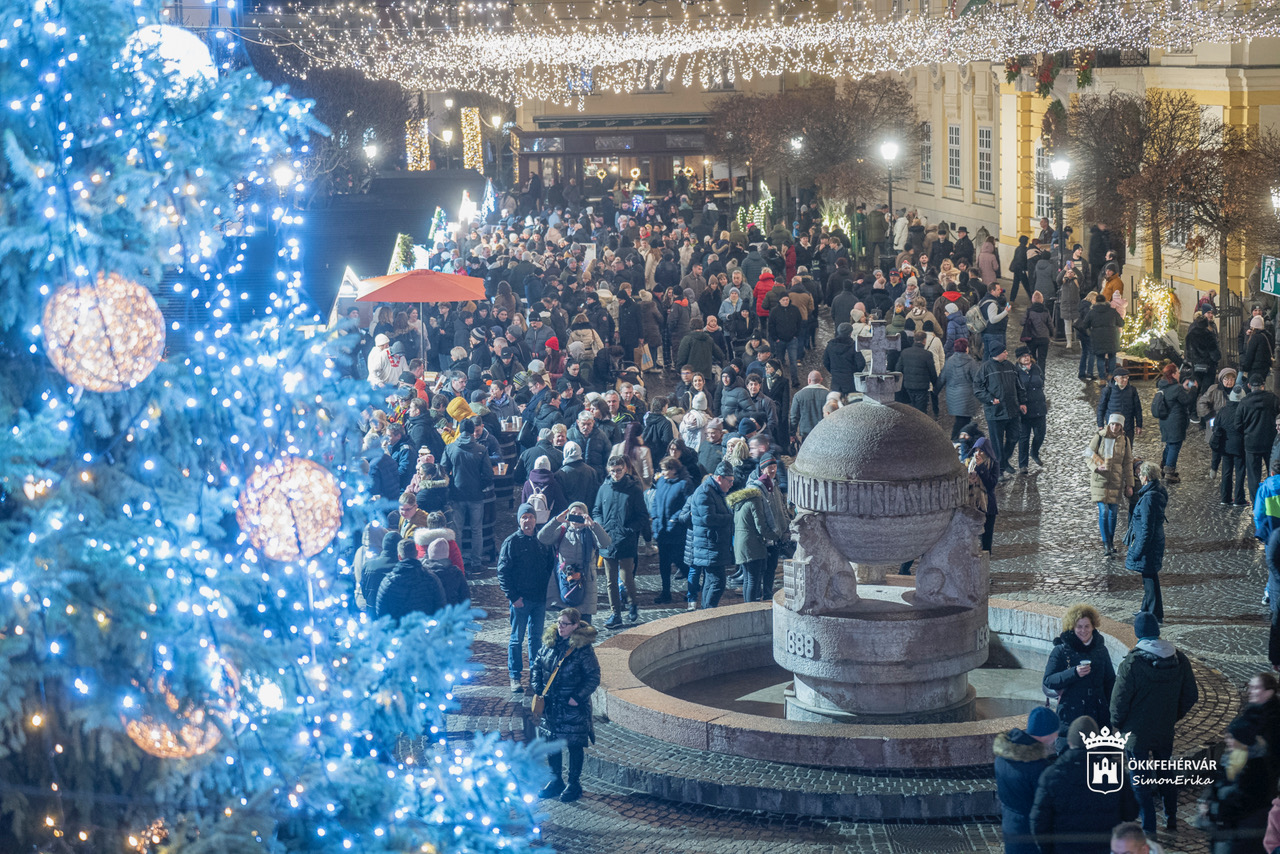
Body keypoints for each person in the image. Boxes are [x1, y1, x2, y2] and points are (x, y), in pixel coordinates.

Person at [1110, 611, 1200, 840]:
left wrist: (1117, 724)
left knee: (1139, 779)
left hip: (1136, 734)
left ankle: (1149, 827)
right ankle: (1170, 816)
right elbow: (1191, 695)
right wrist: (1172, 716)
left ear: (1138, 633)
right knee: (1165, 772)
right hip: (1163, 730)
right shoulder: (1179, 658)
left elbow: (1119, 701)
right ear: (1157, 632)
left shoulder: (1132, 663)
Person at [1031, 715, 1139, 853]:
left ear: (1069, 741)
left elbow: (1039, 823)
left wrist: (1050, 850)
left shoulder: (1052, 775)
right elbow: (1130, 812)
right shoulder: (1114, 770)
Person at [531, 607, 601, 804]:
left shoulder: (583, 649)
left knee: (574, 745)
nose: (560, 626)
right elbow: (536, 665)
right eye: (559, 622)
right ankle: (556, 781)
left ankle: (573, 783)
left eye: (565, 624)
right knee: (551, 743)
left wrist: (576, 698)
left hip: (572, 708)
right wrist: (538, 687)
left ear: (575, 626)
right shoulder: (549, 642)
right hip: (551, 706)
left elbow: (593, 676)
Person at [498, 503, 558, 693]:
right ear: (519, 520)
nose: (528, 520)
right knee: (517, 639)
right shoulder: (511, 542)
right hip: (521, 600)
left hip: (539, 599)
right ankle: (515, 676)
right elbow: (503, 572)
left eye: (531, 517)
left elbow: (550, 564)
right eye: (524, 517)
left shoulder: (542, 540)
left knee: (536, 639)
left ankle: (535, 673)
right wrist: (514, 597)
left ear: (535, 519)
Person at [1042, 603, 1116, 749]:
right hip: (1070, 714)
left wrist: (1112, 711)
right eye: (1079, 627)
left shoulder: (1101, 650)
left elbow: (1110, 682)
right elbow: (1049, 680)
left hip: (1098, 713)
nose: (1083, 631)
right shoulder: (1061, 651)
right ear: (1072, 627)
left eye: (1087, 626)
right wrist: (1073, 673)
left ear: (1093, 626)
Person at [593, 455, 650, 628]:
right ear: (608, 471)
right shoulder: (604, 488)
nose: (616, 474)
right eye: (613, 471)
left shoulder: (633, 489)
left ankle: (633, 602)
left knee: (626, 577)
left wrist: (628, 530)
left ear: (625, 469)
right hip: (608, 539)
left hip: (625, 540)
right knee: (610, 580)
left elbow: (642, 516)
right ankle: (615, 613)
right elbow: (596, 510)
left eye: (618, 470)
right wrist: (601, 526)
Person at [994, 706, 1060, 854]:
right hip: (1030, 833)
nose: (1056, 736)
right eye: (1054, 731)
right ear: (1045, 734)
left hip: (1010, 824)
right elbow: (1043, 806)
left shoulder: (1002, 757)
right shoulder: (1037, 767)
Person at [538, 504, 609, 624]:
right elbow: (542, 537)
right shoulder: (562, 530)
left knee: (584, 626)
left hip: (586, 582)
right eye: (573, 513)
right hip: (565, 581)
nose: (576, 516)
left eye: (579, 514)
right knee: (565, 623)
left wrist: (593, 525)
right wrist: (555, 521)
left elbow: (605, 542)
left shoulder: (590, 532)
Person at [441, 417, 495, 570]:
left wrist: (451, 486)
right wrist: (480, 486)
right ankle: (476, 562)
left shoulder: (450, 448)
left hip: (457, 495)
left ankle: (459, 561)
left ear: (459, 430)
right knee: (476, 530)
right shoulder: (481, 449)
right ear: (472, 432)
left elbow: (443, 471)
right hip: (476, 495)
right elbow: (488, 475)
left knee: (457, 530)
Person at [683, 460, 736, 610]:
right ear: (719, 478)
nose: (731, 484)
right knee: (717, 582)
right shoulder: (705, 492)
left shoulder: (716, 491)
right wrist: (732, 517)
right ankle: (709, 613)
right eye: (729, 481)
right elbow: (709, 518)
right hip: (709, 546)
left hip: (713, 545)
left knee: (711, 581)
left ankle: (706, 611)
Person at [1126, 463, 1169, 623]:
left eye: (1140, 475)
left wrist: (1138, 550)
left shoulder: (1148, 499)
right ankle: (1147, 609)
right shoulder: (1156, 492)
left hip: (1150, 545)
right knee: (1149, 576)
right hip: (1156, 541)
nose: (1138, 477)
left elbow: (1146, 528)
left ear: (1146, 477)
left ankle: (1154, 613)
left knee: (1149, 578)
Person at [650, 457, 696, 605]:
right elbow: (656, 502)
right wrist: (656, 518)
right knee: (664, 564)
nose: (662, 473)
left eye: (665, 470)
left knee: (681, 562)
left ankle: (692, 589)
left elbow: (688, 504)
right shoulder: (661, 482)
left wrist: (674, 519)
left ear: (673, 470)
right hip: (662, 530)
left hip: (677, 532)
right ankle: (665, 592)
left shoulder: (685, 484)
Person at [976, 342, 1024, 477]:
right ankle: (999, 470)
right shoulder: (985, 368)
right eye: (1004, 351)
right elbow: (978, 388)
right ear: (997, 353)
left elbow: (1019, 386)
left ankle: (1004, 460)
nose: (1007, 353)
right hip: (995, 412)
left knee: (1014, 437)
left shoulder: (1011, 367)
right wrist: (990, 399)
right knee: (997, 443)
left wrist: (1022, 402)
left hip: (1012, 410)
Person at [1090, 413, 1134, 557]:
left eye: (1118, 425)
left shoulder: (1125, 441)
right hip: (1100, 480)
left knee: (1113, 513)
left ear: (1121, 426)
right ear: (1109, 424)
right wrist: (1097, 466)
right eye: (1113, 424)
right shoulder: (1100, 436)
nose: (1115, 427)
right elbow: (1088, 453)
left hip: (1116, 481)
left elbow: (1128, 463)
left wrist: (1130, 484)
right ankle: (1106, 543)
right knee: (1104, 512)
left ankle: (1110, 541)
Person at [375, 538, 447, 620]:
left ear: (399, 557)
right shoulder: (431, 579)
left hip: (399, 631)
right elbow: (441, 609)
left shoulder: (388, 582)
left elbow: (382, 614)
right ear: (416, 553)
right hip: (424, 630)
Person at [1152, 364, 1196, 483]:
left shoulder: (1164, 386)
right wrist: (1193, 389)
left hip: (1165, 422)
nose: (1179, 373)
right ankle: (1169, 473)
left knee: (1169, 445)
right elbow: (1186, 400)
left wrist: (1182, 387)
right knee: (1174, 446)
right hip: (1175, 422)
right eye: (1177, 372)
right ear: (1173, 374)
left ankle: (1164, 467)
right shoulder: (1176, 388)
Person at [1254, 470, 1280, 670]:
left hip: (1272, 530)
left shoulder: (1267, 487)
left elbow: (1259, 512)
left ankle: (1268, 593)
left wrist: (1261, 531)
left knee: (1273, 565)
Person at [1240, 377, 1280, 501]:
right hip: (1269, 442)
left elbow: (1238, 424)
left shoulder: (1244, 402)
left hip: (1252, 444)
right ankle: (1273, 500)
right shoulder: (1272, 399)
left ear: (1249, 386)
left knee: (1253, 477)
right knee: (1273, 474)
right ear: (1263, 385)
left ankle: (1255, 502)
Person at [939, 339, 980, 441]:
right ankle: (955, 441)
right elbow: (977, 379)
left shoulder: (949, 361)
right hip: (966, 397)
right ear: (966, 349)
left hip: (952, 397)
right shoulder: (971, 362)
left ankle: (962, 441)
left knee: (961, 419)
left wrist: (935, 391)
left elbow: (942, 378)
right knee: (963, 421)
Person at [1014, 346, 1047, 472]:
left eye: (1028, 356)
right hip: (1025, 410)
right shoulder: (1016, 371)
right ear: (1019, 359)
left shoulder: (1036, 368)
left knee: (1040, 434)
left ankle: (1034, 451)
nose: (1026, 358)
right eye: (1023, 356)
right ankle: (1023, 465)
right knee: (1024, 437)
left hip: (1039, 407)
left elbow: (1041, 380)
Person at [1083, 292, 1124, 382]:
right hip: (1112, 337)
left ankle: (1102, 378)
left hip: (1098, 338)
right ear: (1106, 302)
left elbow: (1084, 325)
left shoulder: (1092, 312)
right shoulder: (1112, 311)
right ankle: (1111, 375)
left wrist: (1091, 332)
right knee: (1112, 356)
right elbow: (1121, 323)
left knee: (1100, 358)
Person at [969, 436, 1000, 552]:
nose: (978, 453)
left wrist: (981, 467)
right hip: (973, 503)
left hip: (988, 506)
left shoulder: (993, 464)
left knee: (986, 538)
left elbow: (991, 484)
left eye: (981, 450)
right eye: (976, 450)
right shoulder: (970, 464)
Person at [1097, 367, 1143, 443]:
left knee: (1127, 448)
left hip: (1128, 426)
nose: (1125, 380)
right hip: (1112, 427)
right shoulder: (1108, 390)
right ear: (1115, 379)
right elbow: (1101, 408)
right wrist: (1100, 424)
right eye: (1122, 377)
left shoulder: (1132, 390)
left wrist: (1139, 425)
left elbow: (1137, 409)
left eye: (1127, 377)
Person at [789, 370, 829, 446]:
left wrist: (792, 433)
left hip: (806, 433)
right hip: (824, 432)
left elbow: (794, 417)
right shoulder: (828, 395)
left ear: (809, 380)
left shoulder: (798, 395)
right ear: (821, 380)